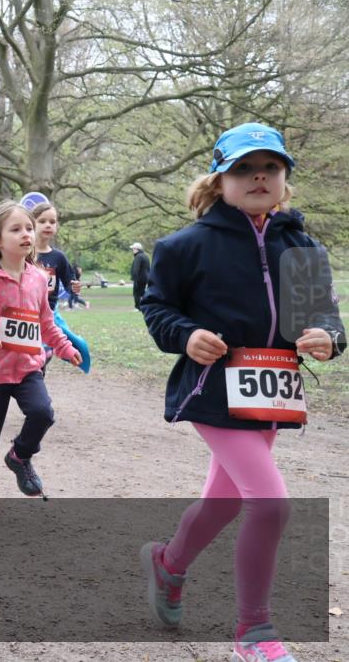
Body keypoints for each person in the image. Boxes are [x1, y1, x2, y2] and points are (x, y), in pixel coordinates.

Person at [139, 122, 345, 662]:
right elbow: (157, 307)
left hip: (273, 393)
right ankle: (253, 633)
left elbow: (324, 313)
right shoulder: (186, 246)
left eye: (270, 167)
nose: (259, 176)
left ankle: (168, 563)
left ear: (285, 180)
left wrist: (330, 336)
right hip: (214, 389)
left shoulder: (301, 247)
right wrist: (187, 336)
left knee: (225, 500)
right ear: (220, 179)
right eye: (243, 168)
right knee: (271, 505)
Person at [0, 200, 82, 511]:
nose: (26, 234)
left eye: (29, 227)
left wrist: (65, 347)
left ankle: (20, 455)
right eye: (16, 229)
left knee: (42, 413)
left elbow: (45, 322)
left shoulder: (38, 278)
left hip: (28, 367)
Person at [31, 202, 81, 310]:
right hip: (24, 313)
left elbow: (69, 283)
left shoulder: (59, 257)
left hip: (49, 314)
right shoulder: (22, 253)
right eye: (42, 221)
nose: (48, 225)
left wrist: (74, 287)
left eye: (52, 222)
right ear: (32, 224)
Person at [130, 242, 150, 310]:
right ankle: (147, 305)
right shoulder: (145, 256)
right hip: (145, 278)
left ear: (137, 249)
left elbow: (136, 268)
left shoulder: (138, 257)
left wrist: (134, 278)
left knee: (136, 293)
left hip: (139, 278)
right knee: (142, 292)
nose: (132, 250)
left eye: (133, 249)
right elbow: (148, 268)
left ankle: (137, 307)